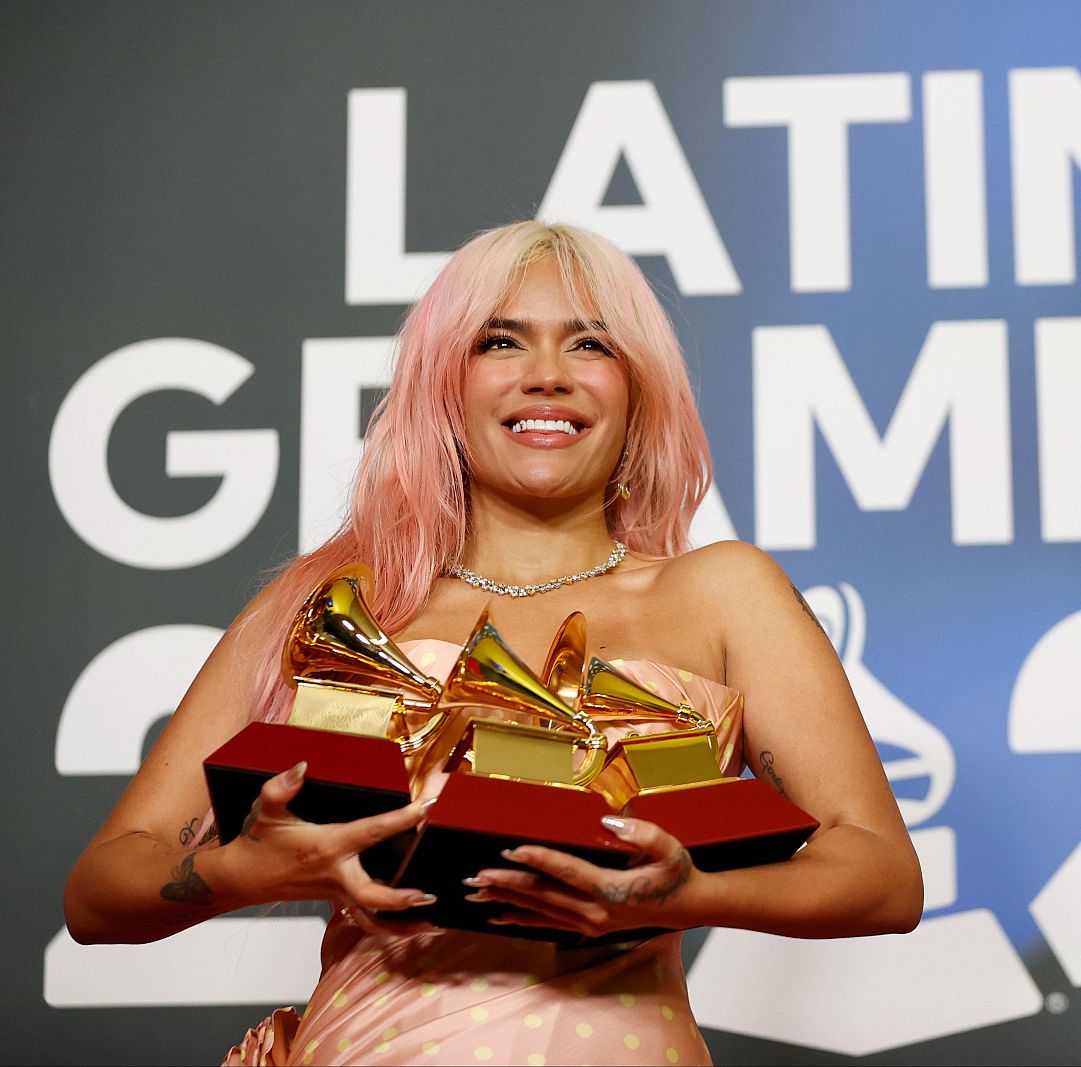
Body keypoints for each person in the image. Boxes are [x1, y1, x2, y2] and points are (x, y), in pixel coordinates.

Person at [63, 221, 923, 1065]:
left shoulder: (722, 593)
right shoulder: (331, 606)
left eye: (590, 345)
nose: (547, 377)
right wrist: (252, 870)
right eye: (501, 342)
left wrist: (694, 892)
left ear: (640, 389)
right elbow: (101, 893)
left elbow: (882, 873)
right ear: (444, 383)